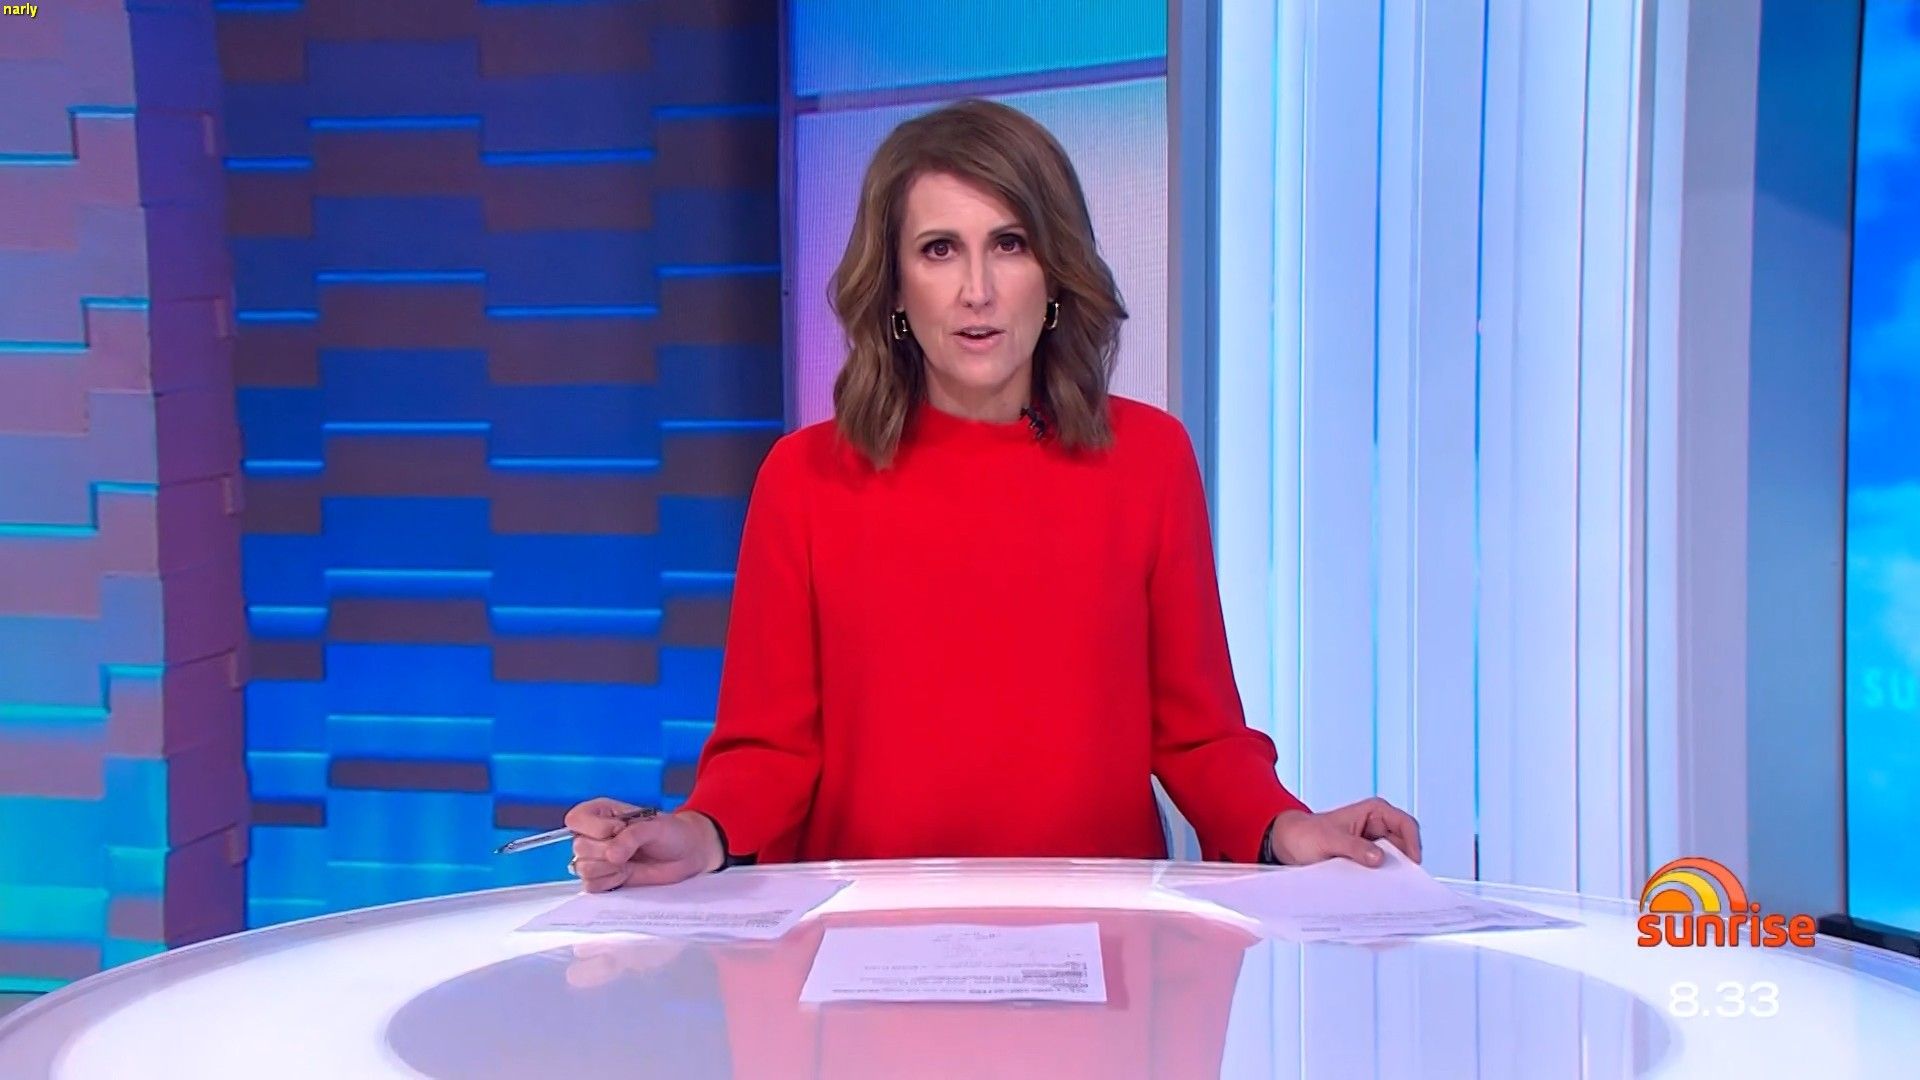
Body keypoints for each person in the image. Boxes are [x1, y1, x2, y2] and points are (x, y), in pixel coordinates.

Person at [565, 99, 1421, 892]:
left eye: (1009, 244)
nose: (976, 289)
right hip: (866, 949)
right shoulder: (804, 478)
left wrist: (1285, 826)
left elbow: (1199, 735)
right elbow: (769, 751)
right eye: (940, 249)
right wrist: (698, 832)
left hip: (1103, 945)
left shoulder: (1150, 459)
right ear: (895, 287)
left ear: (1055, 273)